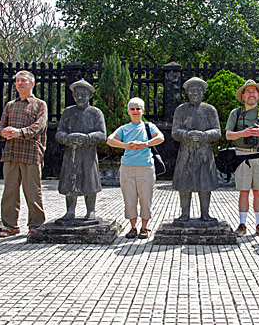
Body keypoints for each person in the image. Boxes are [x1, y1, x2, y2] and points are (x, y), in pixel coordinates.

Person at [0, 70, 48, 237]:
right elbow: (0, 126)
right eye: (17, 81)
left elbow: (39, 126)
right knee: (9, 192)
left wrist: (20, 132)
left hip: (31, 153)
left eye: (23, 81)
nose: (19, 84)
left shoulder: (40, 104)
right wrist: (3, 132)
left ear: (32, 84)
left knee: (32, 191)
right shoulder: (10, 105)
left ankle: (36, 225)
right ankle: (10, 226)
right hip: (11, 153)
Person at [107, 97, 164, 239]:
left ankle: (144, 227)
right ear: (128, 112)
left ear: (143, 111)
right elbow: (110, 140)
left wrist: (145, 144)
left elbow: (161, 137)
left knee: (146, 198)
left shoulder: (149, 126)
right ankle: (133, 228)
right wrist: (126, 145)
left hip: (146, 167)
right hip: (127, 168)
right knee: (130, 199)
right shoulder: (124, 128)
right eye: (132, 109)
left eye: (138, 108)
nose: (135, 111)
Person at [225, 79, 259, 237]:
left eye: (254, 91)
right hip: (242, 156)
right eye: (248, 92)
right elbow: (228, 135)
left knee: (258, 192)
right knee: (244, 192)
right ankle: (242, 224)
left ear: (258, 95)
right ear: (243, 96)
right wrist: (243, 133)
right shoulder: (236, 113)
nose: (251, 94)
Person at [55, 79, 107, 222]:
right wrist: (67, 138)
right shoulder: (68, 112)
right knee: (69, 182)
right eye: (76, 94)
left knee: (89, 181)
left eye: (83, 94)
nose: (79, 97)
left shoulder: (96, 113)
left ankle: (91, 211)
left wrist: (87, 138)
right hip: (70, 153)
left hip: (88, 154)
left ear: (89, 96)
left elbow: (102, 134)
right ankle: (70, 211)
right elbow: (59, 133)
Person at [171, 77, 221, 221]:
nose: (194, 93)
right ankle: (184, 214)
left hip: (204, 152)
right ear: (187, 92)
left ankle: (205, 214)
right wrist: (187, 134)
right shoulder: (181, 110)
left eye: (198, 90)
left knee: (205, 184)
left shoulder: (210, 110)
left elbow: (217, 132)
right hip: (185, 152)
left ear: (203, 92)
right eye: (191, 90)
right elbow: (175, 131)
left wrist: (203, 135)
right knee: (184, 184)